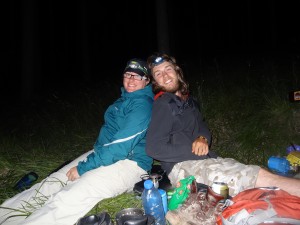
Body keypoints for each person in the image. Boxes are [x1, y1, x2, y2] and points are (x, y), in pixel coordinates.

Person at [0, 59, 154, 225]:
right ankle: (4, 215)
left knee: (69, 196)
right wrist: (94, 156)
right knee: (54, 181)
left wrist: (84, 168)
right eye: (127, 74)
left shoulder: (143, 105)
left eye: (137, 76)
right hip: (104, 154)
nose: (131, 79)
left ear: (147, 81)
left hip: (130, 164)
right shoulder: (123, 100)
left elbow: (120, 147)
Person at [145, 53, 300, 198]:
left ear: (177, 71)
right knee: (261, 178)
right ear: (155, 82)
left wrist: (202, 137)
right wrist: (195, 151)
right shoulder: (164, 104)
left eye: (168, 69)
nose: (165, 76)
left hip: (207, 160)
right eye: (158, 73)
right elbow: (153, 147)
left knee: (260, 175)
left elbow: (202, 125)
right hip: (183, 167)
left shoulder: (189, 102)